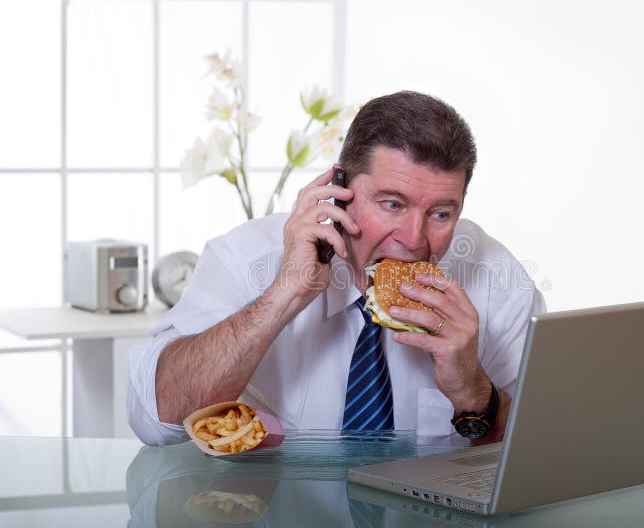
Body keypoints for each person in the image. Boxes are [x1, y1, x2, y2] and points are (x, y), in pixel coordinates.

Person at [127, 90, 546, 446]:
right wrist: (284, 295)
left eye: (440, 213)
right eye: (392, 204)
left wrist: (474, 390)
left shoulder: (494, 278)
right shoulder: (245, 255)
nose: (415, 239)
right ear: (340, 190)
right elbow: (156, 418)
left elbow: (551, 454)